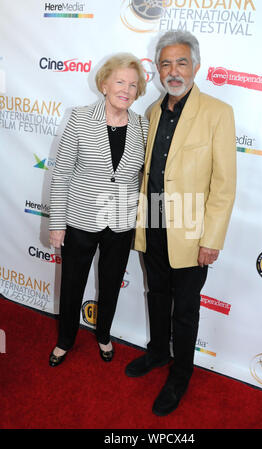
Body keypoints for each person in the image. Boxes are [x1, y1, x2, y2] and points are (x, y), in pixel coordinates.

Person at [125, 31, 236, 416]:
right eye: (166, 63)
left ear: (196, 66)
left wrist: (212, 238)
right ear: (157, 69)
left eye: (181, 62)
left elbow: (224, 185)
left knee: (185, 308)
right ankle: (157, 353)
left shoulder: (218, 113)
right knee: (157, 295)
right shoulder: (152, 112)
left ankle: (181, 374)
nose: (174, 71)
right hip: (153, 223)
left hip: (192, 231)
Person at [48, 53, 148, 367]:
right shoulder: (79, 118)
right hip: (79, 221)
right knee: (72, 286)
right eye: (120, 81)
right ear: (104, 84)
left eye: (133, 85)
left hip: (120, 225)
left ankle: (103, 335)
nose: (127, 89)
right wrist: (57, 223)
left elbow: (143, 177)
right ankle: (65, 341)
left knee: (110, 285)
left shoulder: (143, 127)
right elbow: (62, 174)